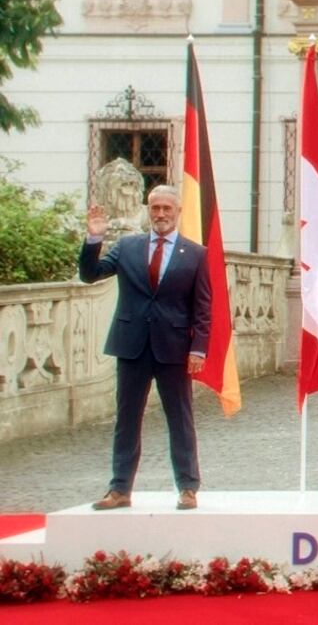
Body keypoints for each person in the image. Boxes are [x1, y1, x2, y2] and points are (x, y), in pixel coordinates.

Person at [78, 184, 211, 511]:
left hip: (175, 348)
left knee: (180, 419)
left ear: (178, 212)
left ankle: (188, 487)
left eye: (167, 208)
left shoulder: (196, 254)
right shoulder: (127, 247)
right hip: (132, 346)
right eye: (155, 208)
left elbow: (203, 307)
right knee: (127, 419)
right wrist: (94, 239)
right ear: (147, 210)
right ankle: (120, 489)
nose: (161, 214)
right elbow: (89, 274)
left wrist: (199, 349)